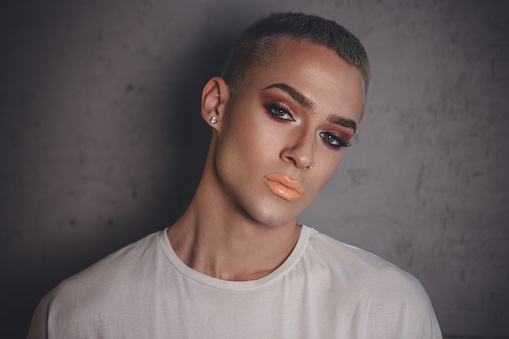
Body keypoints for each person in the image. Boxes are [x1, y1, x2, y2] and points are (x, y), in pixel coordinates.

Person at [27, 13, 442, 338]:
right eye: (282, 111)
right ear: (216, 104)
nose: (302, 155)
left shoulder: (389, 308)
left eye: (332, 137)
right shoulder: (75, 315)